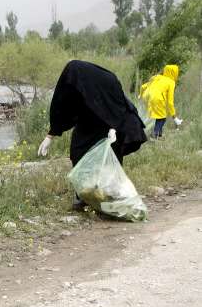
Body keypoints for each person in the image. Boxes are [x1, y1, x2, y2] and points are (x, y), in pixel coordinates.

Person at [37, 60, 147, 209]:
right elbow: (63, 106)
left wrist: (114, 126)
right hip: (89, 121)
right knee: (77, 153)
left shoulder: (107, 80)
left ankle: (111, 197)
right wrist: (51, 135)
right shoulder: (76, 84)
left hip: (112, 122)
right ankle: (84, 195)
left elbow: (117, 105)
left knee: (110, 157)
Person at [140, 64, 182, 138]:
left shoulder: (157, 77)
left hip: (146, 96)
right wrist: (174, 117)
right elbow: (170, 102)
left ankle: (159, 135)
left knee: (159, 116)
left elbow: (143, 86)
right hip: (157, 98)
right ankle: (155, 135)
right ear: (174, 73)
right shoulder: (171, 82)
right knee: (162, 117)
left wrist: (140, 95)